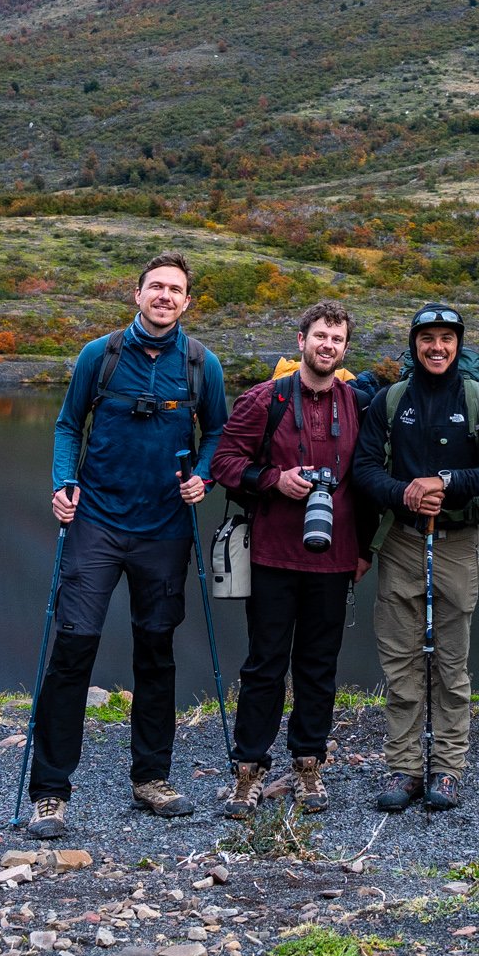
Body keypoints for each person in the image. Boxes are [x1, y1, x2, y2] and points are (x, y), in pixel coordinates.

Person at [24, 252, 229, 839]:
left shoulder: (200, 364)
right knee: (72, 650)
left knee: (156, 652)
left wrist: (205, 475)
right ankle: (50, 792)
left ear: (188, 302)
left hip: (164, 529)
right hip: (97, 524)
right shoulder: (101, 355)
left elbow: (216, 430)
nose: (165, 296)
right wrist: (64, 483)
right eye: (156, 287)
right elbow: (68, 424)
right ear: (137, 294)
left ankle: (152, 779)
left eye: (176, 290)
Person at [210, 300, 377, 814]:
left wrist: (364, 548)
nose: (328, 346)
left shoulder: (358, 405)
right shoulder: (265, 400)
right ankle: (249, 770)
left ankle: (308, 765)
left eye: (337, 339)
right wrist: (274, 480)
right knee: (264, 665)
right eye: (320, 336)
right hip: (273, 555)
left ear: (345, 349)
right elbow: (223, 462)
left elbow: (368, 482)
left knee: (318, 667)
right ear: (301, 340)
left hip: (335, 559)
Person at [352, 303, 479, 812]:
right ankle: (404, 769)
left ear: (458, 344)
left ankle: (446, 769)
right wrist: (405, 493)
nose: (437, 348)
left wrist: (445, 483)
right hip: (402, 541)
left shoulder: (478, 400)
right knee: (401, 662)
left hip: (457, 541)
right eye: (428, 339)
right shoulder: (389, 400)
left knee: (451, 662)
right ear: (414, 344)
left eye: (447, 339)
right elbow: (362, 470)